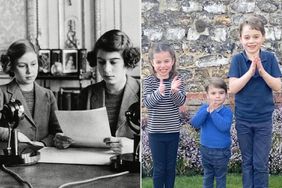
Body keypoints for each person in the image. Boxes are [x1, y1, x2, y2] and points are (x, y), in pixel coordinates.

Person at [228, 15, 282, 188]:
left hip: (263, 120)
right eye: (247, 37)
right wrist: (250, 72)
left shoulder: (270, 58)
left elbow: (278, 86)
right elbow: (233, 88)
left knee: (260, 164)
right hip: (243, 119)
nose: (251, 41)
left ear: (263, 38)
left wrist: (262, 71)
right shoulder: (237, 60)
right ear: (240, 39)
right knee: (248, 162)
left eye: (256, 37)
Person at [0, 39, 72, 150]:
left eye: (33, 64)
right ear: (12, 66)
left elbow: (56, 131)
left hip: (44, 155)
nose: (30, 71)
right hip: (12, 158)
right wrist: (12, 134)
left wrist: (43, 143)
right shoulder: (2, 93)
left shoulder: (48, 95)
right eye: (22, 66)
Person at [79, 29, 140, 154]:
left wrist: (136, 146)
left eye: (113, 62)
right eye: (101, 62)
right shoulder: (87, 94)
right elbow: (79, 136)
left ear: (127, 62)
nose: (106, 69)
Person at [143, 42, 186, 188]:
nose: (163, 65)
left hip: (172, 131)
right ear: (152, 63)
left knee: (170, 167)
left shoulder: (177, 79)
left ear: (172, 61)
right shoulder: (149, 81)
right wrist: (159, 93)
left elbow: (180, 102)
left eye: (166, 61)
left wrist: (174, 91)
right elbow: (148, 103)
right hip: (156, 132)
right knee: (159, 168)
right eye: (158, 62)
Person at [190, 77, 233, 188]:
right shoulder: (204, 109)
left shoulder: (227, 112)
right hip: (206, 149)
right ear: (207, 96)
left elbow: (223, 127)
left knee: (220, 177)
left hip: (221, 152)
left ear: (226, 95)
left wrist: (213, 112)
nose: (217, 96)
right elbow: (195, 123)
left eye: (221, 93)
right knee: (208, 175)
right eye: (213, 93)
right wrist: (206, 111)